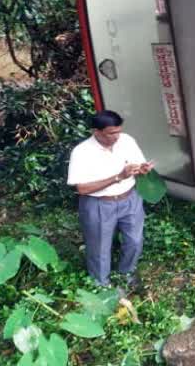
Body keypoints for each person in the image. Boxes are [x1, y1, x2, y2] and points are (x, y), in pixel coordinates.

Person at [67, 110, 153, 289]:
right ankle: (101, 285)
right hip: (98, 203)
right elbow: (82, 188)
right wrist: (117, 177)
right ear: (96, 132)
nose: (117, 136)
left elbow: (137, 164)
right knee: (99, 247)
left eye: (119, 131)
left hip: (130, 198)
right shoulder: (82, 152)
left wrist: (142, 169)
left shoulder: (126, 140)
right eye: (111, 133)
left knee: (135, 241)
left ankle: (126, 273)